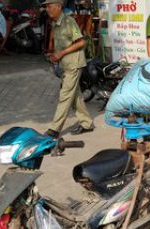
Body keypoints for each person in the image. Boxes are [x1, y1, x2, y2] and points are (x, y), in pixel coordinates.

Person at [43, 0, 94, 138]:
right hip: (65, 64)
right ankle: (87, 123)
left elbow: (82, 41)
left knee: (65, 95)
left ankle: (54, 129)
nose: (47, 9)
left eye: (49, 6)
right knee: (75, 95)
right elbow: (62, 46)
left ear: (59, 7)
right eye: (46, 7)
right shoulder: (55, 23)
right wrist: (54, 55)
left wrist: (61, 53)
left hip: (74, 64)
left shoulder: (68, 21)